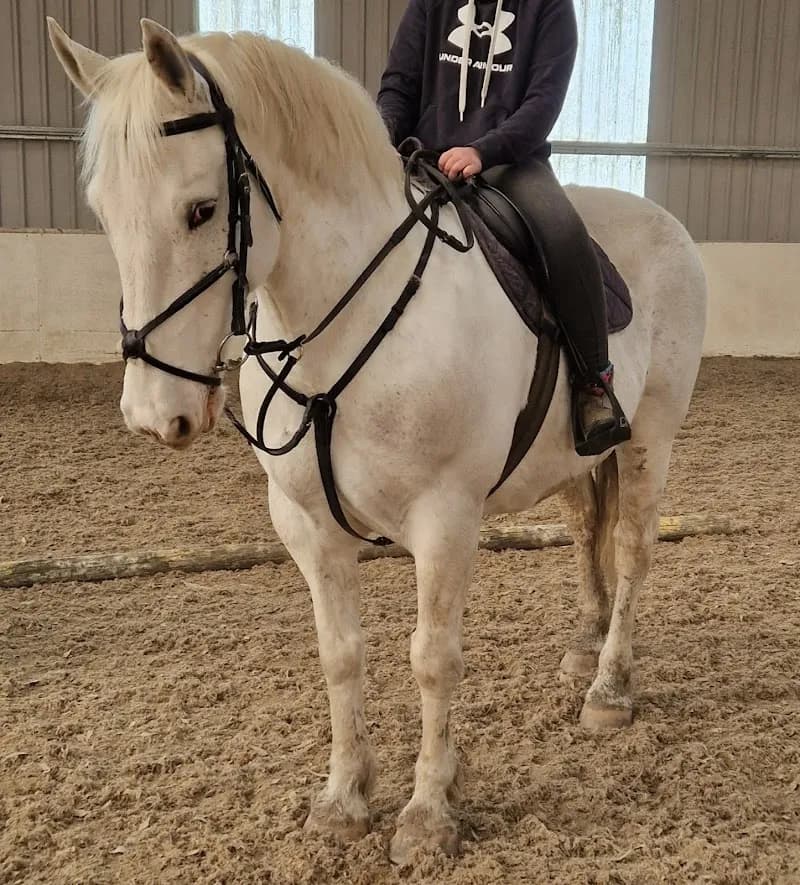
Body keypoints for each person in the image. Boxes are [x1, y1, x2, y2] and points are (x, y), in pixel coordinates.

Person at [377, 0, 630, 455]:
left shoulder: (550, 8)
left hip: (509, 162)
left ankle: (594, 384)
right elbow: (399, 83)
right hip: (422, 155)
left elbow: (543, 101)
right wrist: (380, 136)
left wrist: (482, 150)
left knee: (563, 234)